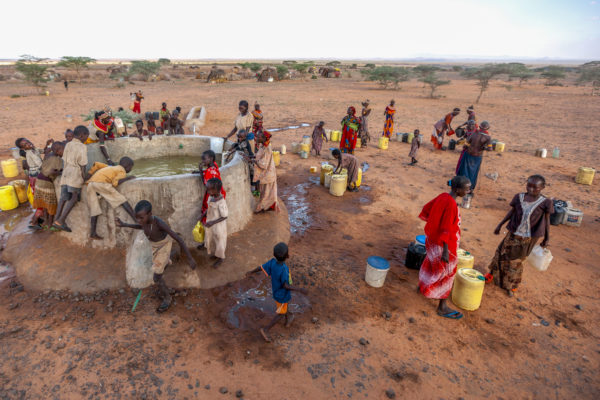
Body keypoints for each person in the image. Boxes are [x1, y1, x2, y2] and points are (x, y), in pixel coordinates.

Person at [115, 200, 197, 313]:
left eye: (141, 218)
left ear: (150, 214)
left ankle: (167, 298)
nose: (139, 221)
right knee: (160, 267)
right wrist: (124, 224)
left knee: (156, 277)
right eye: (137, 218)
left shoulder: (159, 223)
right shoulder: (143, 221)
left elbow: (179, 239)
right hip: (154, 246)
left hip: (163, 245)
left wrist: (190, 258)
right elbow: (140, 226)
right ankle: (169, 259)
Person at [488, 175, 553, 297]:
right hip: (513, 233)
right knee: (500, 253)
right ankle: (492, 274)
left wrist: (547, 238)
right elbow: (511, 212)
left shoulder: (546, 202)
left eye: (535, 187)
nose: (531, 189)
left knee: (516, 261)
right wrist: (500, 225)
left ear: (542, 187)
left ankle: (511, 285)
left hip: (528, 238)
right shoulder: (519, 197)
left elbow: (547, 220)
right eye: (529, 186)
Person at [418, 176, 471, 319]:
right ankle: (442, 307)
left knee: (431, 265)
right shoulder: (451, 204)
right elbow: (446, 229)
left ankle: (422, 287)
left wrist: (434, 226)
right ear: (458, 190)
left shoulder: (443, 196)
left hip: (432, 241)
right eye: (467, 189)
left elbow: (427, 209)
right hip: (444, 245)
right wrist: (446, 251)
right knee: (448, 274)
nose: (468, 191)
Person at [246, 242, 308, 342]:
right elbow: (286, 286)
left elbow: (261, 267)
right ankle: (266, 329)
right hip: (282, 295)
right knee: (281, 313)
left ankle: (290, 315)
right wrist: (300, 289)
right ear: (287, 256)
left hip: (276, 291)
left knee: (284, 307)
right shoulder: (283, 269)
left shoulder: (272, 262)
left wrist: (251, 272)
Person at [85, 157, 137, 240]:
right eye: (131, 167)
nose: (131, 169)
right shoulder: (122, 171)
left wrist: (90, 173)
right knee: (122, 200)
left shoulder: (112, 167)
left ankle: (93, 233)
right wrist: (128, 178)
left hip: (90, 184)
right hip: (101, 184)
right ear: (127, 166)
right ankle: (136, 219)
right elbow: (115, 183)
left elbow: (97, 164)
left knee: (95, 210)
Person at [53, 126, 90, 232]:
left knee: (63, 198)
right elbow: (83, 164)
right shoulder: (82, 146)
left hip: (66, 173)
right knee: (74, 197)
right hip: (75, 174)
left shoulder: (68, 144)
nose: (86, 139)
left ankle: (56, 219)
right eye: (86, 136)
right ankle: (61, 220)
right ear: (82, 135)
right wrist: (83, 177)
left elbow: (64, 159)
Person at [15, 137, 51, 227]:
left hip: (35, 175)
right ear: (23, 148)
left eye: (27, 141)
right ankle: (34, 222)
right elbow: (41, 164)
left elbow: (43, 151)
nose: (28, 144)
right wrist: (47, 155)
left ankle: (37, 219)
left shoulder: (33, 149)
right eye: (25, 145)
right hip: (36, 177)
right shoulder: (30, 153)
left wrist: (47, 145)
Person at [32, 142, 64, 229]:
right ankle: (50, 224)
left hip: (39, 180)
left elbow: (43, 167)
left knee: (44, 204)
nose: (64, 152)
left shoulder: (48, 155)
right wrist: (61, 172)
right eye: (63, 150)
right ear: (57, 151)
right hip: (47, 183)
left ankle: (45, 222)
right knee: (51, 205)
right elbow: (51, 172)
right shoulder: (57, 159)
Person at [455, 120, 492, 197]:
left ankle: (459, 185)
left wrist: (466, 147)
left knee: (464, 170)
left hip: (468, 154)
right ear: (488, 128)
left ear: (479, 126)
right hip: (477, 156)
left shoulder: (474, 133)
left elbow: (466, 144)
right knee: (473, 173)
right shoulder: (488, 137)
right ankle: (469, 188)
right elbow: (490, 149)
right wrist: (483, 148)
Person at [193, 150, 226, 226]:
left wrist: (200, 171)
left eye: (204, 159)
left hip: (213, 194)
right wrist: (201, 171)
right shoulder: (214, 165)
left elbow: (206, 184)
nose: (202, 161)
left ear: (211, 159)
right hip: (220, 192)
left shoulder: (209, 172)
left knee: (210, 211)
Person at [201, 178, 228, 268]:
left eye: (210, 190)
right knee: (214, 240)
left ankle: (221, 258)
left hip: (219, 226)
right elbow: (208, 208)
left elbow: (225, 216)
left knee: (220, 241)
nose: (208, 191)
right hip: (211, 224)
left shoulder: (221, 202)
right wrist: (202, 215)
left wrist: (213, 222)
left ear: (217, 190)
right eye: (207, 189)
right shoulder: (211, 198)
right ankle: (217, 255)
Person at [251, 132, 278, 212]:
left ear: (263, 138)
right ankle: (266, 207)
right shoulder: (263, 146)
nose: (256, 138)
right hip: (267, 174)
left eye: (258, 137)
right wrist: (252, 157)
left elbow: (263, 164)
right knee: (266, 193)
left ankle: (261, 208)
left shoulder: (267, 149)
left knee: (266, 194)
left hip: (268, 174)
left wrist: (253, 160)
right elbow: (259, 156)